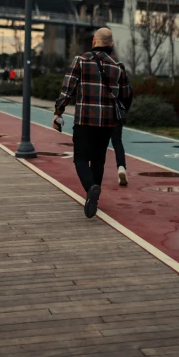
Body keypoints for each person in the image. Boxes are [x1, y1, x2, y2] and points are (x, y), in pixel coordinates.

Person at [53, 27, 133, 218]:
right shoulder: (118, 66)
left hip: (84, 120)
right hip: (106, 123)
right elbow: (127, 94)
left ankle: (91, 188)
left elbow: (68, 89)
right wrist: (121, 112)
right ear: (111, 44)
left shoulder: (81, 60)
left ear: (94, 42)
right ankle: (94, 198)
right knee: (98, 160)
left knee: (80, 159)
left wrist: (58, 112)